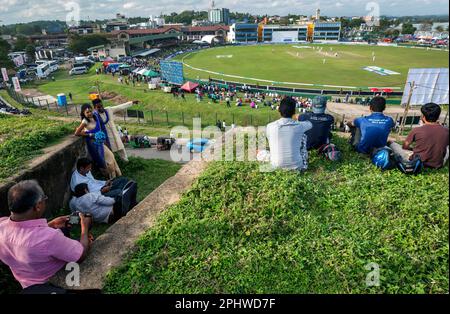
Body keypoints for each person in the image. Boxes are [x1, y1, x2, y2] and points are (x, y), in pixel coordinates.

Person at [0, 180, 92, 290]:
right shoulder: (49, 238)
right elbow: (80, 256)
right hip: (50, 281)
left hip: (26, 281)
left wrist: (50, 225)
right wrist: (84, 228)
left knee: (63, 230)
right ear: (38, 206)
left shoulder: (2, 225)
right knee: (84, 243)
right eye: (44, 199)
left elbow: (25, 238)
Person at [388, 103, 449, 169]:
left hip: (417, 162)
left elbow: (405, 146)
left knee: (392, 143)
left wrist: (413, 149)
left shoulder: (417, 130)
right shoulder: (446, 130)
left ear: (423, 117)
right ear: (438, 116)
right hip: (438, 164)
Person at [263, 97, 313, 171]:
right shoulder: (300, 126)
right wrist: (299, 116)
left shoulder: (270, 126)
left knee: (263, 152)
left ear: (279, 110)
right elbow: (310, 124)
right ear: (294, 112)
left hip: (275, 166)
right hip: (297, 166)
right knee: (303, 136)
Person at [75, 103, 122, 179]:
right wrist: (90, 135)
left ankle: (115, 176)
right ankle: (110, 179)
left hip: (100, 142)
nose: (89, 113)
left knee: (111, 156)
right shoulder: (85, 121)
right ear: (83, 113)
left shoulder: (95, 116)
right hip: (94, 145)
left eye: (90, 111)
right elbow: (77, 133)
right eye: (87, 112)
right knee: (103, 162)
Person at [70, 158, 135, 202]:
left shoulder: (85, 171)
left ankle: (127, 197)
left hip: (103, 187)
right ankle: (127, 200)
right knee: (118, 192)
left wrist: (105, 182)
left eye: (90, 167)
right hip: (99, 195)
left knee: (123, 180)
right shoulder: (78, 182)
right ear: (81, 168)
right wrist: (101, 191)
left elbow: (94, 181)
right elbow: (87, 197)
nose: (90, 169)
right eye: (88, 168)